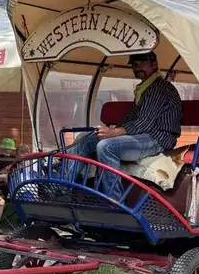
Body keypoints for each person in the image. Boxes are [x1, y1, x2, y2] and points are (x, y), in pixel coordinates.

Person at [74, 51, 182, 185]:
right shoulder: (144, 89)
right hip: (142, 135)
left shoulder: (159, 88)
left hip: (158, 137)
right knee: (83, 139)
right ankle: (62, 187)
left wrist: (114, 133)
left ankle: (113, 200)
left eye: (141, 63)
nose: (137, 67)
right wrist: (110, 130)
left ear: (154, 64)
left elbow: (144, 122)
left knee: (106, 146)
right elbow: (132, 117)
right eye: (134, 65)